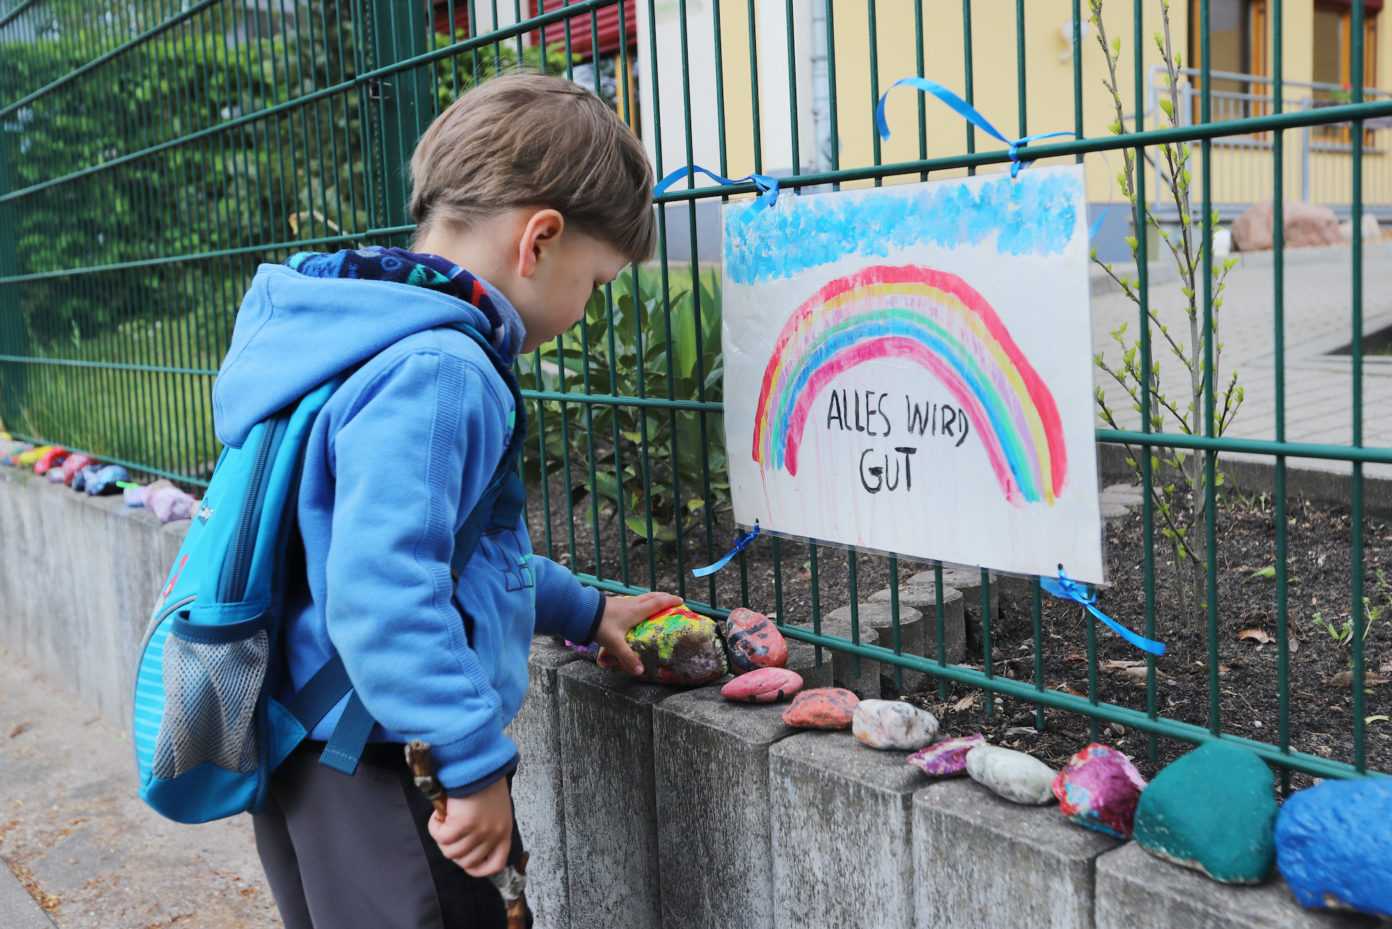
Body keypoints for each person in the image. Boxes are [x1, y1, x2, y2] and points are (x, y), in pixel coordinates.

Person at [212, 73, 680, 929]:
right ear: (538, 240)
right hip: (384, 757)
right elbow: (386, 585)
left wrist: (586, 607)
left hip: (311, 744)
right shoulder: (443, 371)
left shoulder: (365, 331)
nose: (586, 308)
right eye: (597, 281)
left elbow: (457, 554)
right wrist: (469, 762)